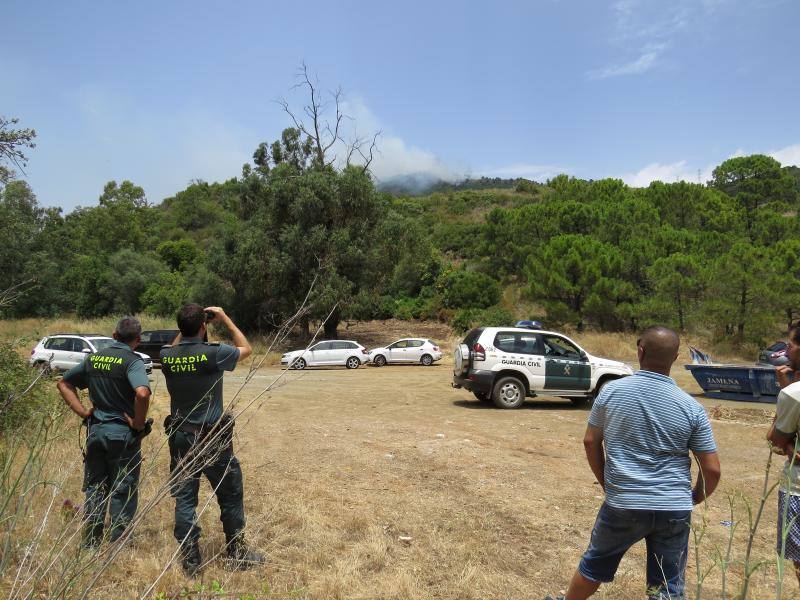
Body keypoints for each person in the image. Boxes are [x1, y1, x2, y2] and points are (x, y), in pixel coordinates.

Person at [553, 326, 721, 600]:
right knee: (667, 587)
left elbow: (590, 441)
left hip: (623, 502)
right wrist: (694, 497)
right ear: (676, 358)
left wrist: (607, 482)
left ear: (640, 351)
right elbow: (712, 468)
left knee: (594, 565)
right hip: (674, 506)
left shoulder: (611, 393)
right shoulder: (691, 407)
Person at [159, 304, 263, 575]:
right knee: (229, 494)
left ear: (180, 329)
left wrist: (187, 329)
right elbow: (246, 349)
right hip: (212, 439)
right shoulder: (213, 354)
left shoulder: (167, 356)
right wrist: (226, 318)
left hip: (181, 437)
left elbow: (176, 345)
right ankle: (237, 551)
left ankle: (191, 558)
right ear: (203, 326)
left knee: (184, 498)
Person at [57, 317, 152, 547]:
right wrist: (138, 424)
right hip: (121, 436)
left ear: (114, 335)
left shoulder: (94, 359)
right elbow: (142, 393)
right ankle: (118, 543)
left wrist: (83, 413)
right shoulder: (133, 361)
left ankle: (91, 542)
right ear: (137, 340)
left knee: (95, 487)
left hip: (96, 432)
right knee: (122, 488)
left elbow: (63, 384)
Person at [766, 324, 800, 586]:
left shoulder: (793, 394)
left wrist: (785, 391)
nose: (786, 349)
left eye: (791, 344)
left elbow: (775, 441)